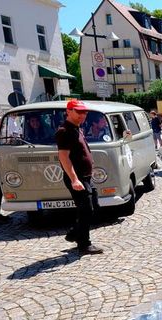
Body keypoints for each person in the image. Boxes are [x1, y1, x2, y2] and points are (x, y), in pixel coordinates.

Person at [55, 100, 103, 255]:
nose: (83, 114)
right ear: (69, 111)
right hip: (77, 178)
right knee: (86, 209)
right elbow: (63, 157)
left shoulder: (77, 128)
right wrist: (74, 179)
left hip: (85, 177)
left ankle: (75, 233)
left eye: (85, 112)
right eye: (79, 111)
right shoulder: (64, 131)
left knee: (92, 206)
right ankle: (84, 244)